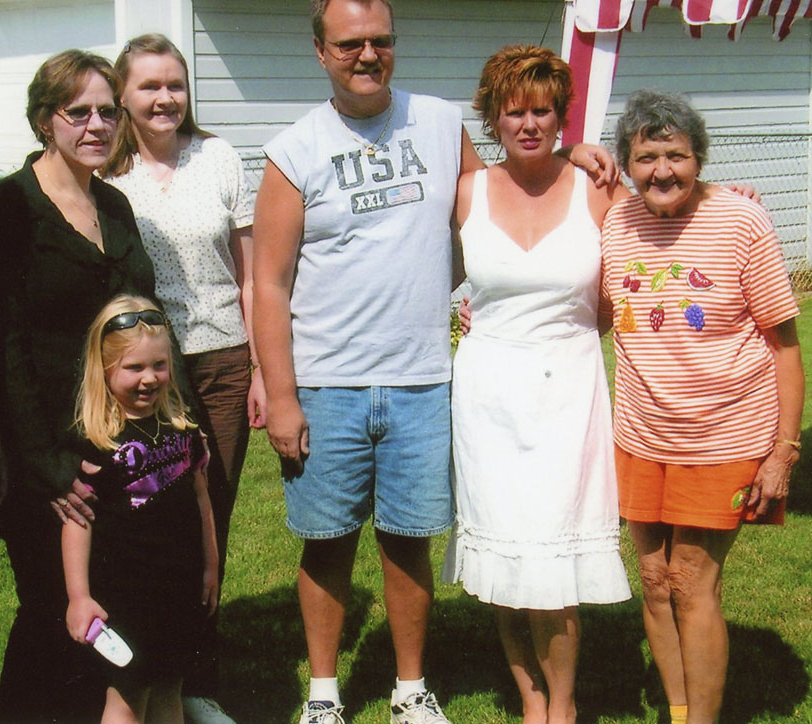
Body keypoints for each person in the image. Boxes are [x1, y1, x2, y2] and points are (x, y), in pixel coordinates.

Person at [253, 3, 615, 722]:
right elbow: (267, 280)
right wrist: (283, 393)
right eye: (350, 43)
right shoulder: (292, 151)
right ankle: (323, 695)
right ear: (319, 51)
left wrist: (575, 155)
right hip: (329, 380)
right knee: (326, 543)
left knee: (409, 540)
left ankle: (410, 690)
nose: (367, 55)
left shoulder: (441, 125)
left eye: (381, 41)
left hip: (425, 377)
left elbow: (505, 191)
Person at [440, 45, 631, 724]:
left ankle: (565, 704)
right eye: (514, 110)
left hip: (569, 389)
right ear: (494, 115)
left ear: (561, 115)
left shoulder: (599, 188)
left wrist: (737, 198)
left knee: (555, 565)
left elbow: (661, 236)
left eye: (542, 110)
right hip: (488, 391)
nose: (529, 123)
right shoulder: (465, 190)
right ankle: (528, 694)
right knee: (504, 556)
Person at [600, 90, 804, 724]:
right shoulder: (616, 222)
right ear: (628, 165)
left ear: (699, 159)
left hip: (724, 438)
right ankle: (680, 712)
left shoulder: (742, 222)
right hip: (640, 435)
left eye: (676, 156)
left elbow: (786, 346)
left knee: (692, 585)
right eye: (646, 157)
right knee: (656, 583)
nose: (662, 170)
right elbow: (601, 311)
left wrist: (783, 451)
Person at [0, 50, 161, 722]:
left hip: (115, 442)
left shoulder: (111, 202)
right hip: (47, 458)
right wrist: (47, 467)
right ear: (43, 119)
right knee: (55, 608)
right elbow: (4, 347)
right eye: (77, 111)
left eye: (108, 111)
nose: (96, 124)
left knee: (106, 605)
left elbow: (141, 318)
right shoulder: (9, 207)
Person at [103, 34, 262, 723]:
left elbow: (251, 271)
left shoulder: (220, 157)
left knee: (209, 522)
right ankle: (145, 675)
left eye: (175, 84)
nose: (165, 98)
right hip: (145, 373)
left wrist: (260, 367)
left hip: (223, 361)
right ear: (123, 96)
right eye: (149, 87)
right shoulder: (107, 172)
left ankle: (198, 683)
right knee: (154, 527)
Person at [63, 294, 219, 724]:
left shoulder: (183, 429)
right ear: (105, 368)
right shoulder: (96, 443)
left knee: (170, 685)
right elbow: (78, 522)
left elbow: (201, 500)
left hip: (180, 587)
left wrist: (210, 567)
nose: (149, 379)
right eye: (134, 368)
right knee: (129, 696)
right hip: (126, 598)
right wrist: (79, 597)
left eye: (159, 365)